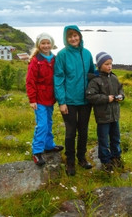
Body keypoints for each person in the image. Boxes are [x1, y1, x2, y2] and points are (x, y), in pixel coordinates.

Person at [53, 25, 96, 176]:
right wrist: (62, 101)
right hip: (69, 101)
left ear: (80, 36)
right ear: (66, 38)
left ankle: (81, 158)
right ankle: (70, 161)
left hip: (86, 100)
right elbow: (58, 78)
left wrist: (107, 73)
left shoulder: (87, 53)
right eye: (70, 36)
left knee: (83, 131)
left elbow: (92, 73)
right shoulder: (62, 55)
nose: (73, 38)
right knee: (71, 132)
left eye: (75, 35)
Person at [25, 33, 63, 166]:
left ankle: (48, 145)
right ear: (38, 45)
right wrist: (32, 99)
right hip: (39, 99)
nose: (46, 46)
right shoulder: (35, 60)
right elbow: (30, 81)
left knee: (49, 122)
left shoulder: (55, 59)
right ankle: (37, 151)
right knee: (41, 125)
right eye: (43, 43)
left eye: (48, 43)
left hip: (50, 97)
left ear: (51, 44)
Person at [85, 51, 125, 172]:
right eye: (107, 64)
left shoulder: (114, 77)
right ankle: (106, 162)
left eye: (111, 64)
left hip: (114, 116)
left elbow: (121, 89)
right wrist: (106, 99)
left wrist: (121, 96)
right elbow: (90, 96)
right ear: (99, 65)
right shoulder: (95, 81)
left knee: (116, 138)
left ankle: (116, 157)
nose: (109, 66)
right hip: (103, 117)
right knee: (103, 140)